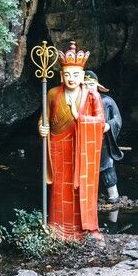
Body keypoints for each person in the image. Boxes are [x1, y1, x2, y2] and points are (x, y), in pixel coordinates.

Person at [37, 42, 105, 240]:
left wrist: (79, 117)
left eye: (75, 75)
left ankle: (85, 229)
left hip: (82, 148)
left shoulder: (91, 95)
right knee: (60, 188)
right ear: (61, 75)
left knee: (81, 187)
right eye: (67, 74)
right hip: (58, 146)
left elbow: (100, 122)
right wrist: (42, 127)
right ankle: (57, 228)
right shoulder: (52, 94)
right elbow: (44, 119)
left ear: (82, 76)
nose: (71, 79)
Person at [83, 70, 124, 204]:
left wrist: (108, 125)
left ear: (97, 86)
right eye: (85, 84)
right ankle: (86, 199)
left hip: (103, 142)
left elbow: (117, 119)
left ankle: (113, 196)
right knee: (84, 170)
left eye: (91, 84)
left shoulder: (107, 101)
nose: (89, 87)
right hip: (84, 143)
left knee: (107, 167)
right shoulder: (78, 102)